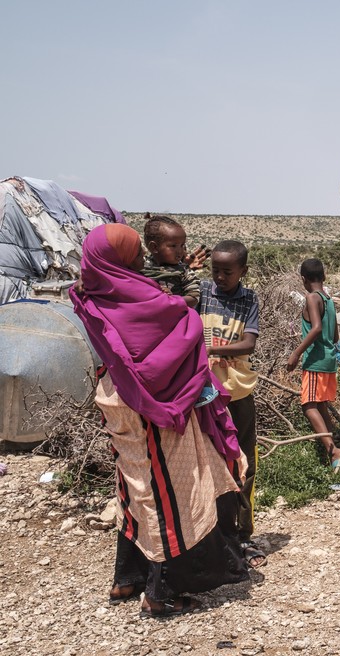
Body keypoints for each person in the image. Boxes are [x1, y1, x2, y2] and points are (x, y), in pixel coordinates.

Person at [71, 224, 247, 617]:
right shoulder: (139, 297)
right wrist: (184, 308)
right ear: (120, 258)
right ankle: (160, 591)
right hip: (153, 405)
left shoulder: (96, 290)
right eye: (134, 251)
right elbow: (179, 322)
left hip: (119, 397)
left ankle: (127, 577)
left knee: (134, 487)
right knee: (168, 496)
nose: (139, 258)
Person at [198, 240, 265, 568]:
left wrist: (212, 351)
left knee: (244, 465)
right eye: (215, 271)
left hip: (237, 395)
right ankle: (212, 533)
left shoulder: (248, 299)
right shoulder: (203, 293)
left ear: (243, 272)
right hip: (204, 397)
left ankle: (243, 533)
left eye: (227, 272)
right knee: (209, 466)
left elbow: (248, 344)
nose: (220, 277)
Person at [286, 258, 340, 472]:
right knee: (320, 403)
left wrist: (296, 354)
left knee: (308, 405)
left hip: (315, 361)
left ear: (303, 279)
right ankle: (334, 452)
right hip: (329, 359)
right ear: (324, 276)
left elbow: (316, 329)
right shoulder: (329, 299)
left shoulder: (312, 298)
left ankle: (333, 451)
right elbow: (334, 334)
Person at [141, 214, 202, 308]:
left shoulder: (184, 271)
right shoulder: (141, 266)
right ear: (154, 247)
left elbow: (194, 297)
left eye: (182, 245)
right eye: (173, 246)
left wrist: (172, 299)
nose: (180, 251)